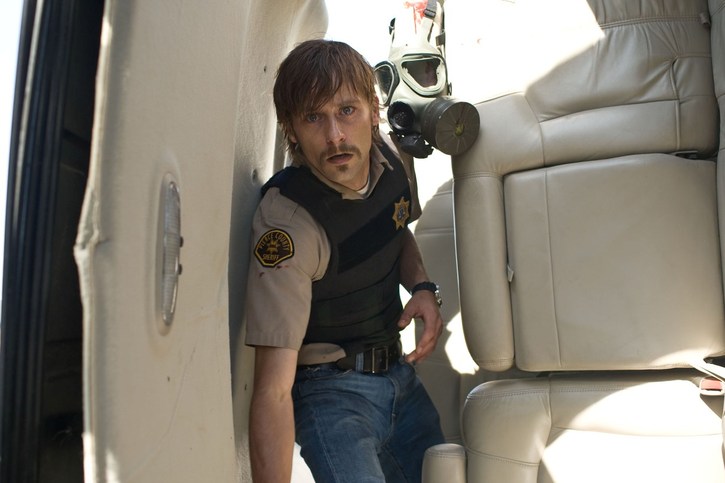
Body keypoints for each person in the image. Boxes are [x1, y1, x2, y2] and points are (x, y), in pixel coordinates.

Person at [246, 39, 445, 482]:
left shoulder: (391, 160)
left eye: (347, 110)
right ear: (291, 130)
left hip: (400, 375)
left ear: (373, 110)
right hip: (331, 395)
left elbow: (396, 228)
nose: (335, 135)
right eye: (314, 118)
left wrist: (421, 287)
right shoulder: (289, 223)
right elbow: (272, 390)